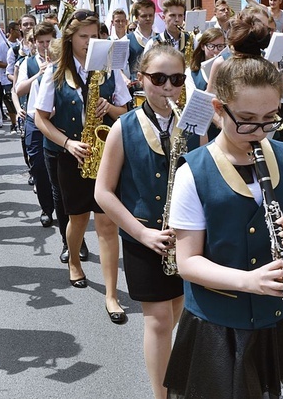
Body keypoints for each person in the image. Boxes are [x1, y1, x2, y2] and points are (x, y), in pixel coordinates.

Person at [162, 13, 283, 398]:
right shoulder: (195, 172)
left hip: (271, 317)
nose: (258, 132)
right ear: (217, 109)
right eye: (245, 120)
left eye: (268, 120)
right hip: (216, 322)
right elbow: (186, 261)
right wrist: (249, 282)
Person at [96, 45, 200, 399]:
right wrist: (141, 233)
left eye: (176, 79)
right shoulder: (122, 128)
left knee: (176, 313)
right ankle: (162, 395)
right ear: (141, 80)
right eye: (158, 79)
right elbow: (103, 192)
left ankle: (176, 383)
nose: (168, 87)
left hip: (186, 236)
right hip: (144, 235)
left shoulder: (191, 123)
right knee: (157, 321)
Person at [34, 10, 132, 323]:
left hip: (105, 155)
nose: (89, 43)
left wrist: (111, 107)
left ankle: (112, 295)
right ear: (71, 39)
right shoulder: (56, 73)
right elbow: (40, 119)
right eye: (83, 37)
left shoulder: (111, 70)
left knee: (107, 224)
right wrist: (67, 143)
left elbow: (126, 111)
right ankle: (73, 259)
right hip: (72, 155)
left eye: (94, 36)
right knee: (77, 219)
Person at [15, 23, 57, 228]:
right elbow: (19, 89)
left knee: (59, 168)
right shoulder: (28, 63)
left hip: (57, 119)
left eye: (48, 41)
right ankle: (46, 209)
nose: (45, 46)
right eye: (41, 42)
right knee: (38, 166)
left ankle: (62, 207)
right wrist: (38, 75)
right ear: (34, 43)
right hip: (34, 119)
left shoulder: (62, 61)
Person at [186, 27, 225, 139]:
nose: (216, 51)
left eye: (220, 46)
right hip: (204, 127)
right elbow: (194, 102)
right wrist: (219, 123)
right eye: (211, 46)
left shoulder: (228, 68)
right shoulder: (191, 73)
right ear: (203, 46)